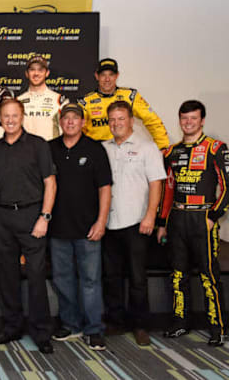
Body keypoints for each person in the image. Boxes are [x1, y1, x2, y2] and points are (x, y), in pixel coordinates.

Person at [0, 98, 56, 354]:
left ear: (22, 116)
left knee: (36, 277)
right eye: (6, 116)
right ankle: (12, 327)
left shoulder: (38, 145)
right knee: (6, 276)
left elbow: (50, 183)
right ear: (0, 118)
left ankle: (41, 332)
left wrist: (44, 217)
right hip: (2, 218)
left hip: (31, 216)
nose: (11, 120)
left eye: (15, 115)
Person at [158, 100, 229, 346]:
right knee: (178, 275)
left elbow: (228, 188)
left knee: (209, 276)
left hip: (203, 218)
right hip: (177, 218)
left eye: (193, 118)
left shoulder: (216, 148)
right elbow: (168, 190)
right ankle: (180, 323)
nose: (188, 123)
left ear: (202, 120)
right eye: (184, 118)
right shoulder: (171, 152)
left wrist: (213, 217)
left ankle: (217, 327)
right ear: (179, 120)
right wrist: (162, 223)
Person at [48, 103, 112, 351]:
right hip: (58, 229)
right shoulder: (49, 148)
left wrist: (101, 221)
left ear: (83, 122)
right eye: (66, 118)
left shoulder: (95, 149)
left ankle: (94, 329)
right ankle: (70, 324)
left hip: (88, 229)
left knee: (90, 281)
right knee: (62, 280)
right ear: (60, 122)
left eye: (76, 118)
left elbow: (105, 188)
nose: (71, 122)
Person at [101, 101, 166, 346]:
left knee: (138, 278)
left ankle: (140, 325)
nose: (116, 123)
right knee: (111, 276)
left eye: (121, 119)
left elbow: (156, 184)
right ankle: (116, 321)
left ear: (131, 121)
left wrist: (151, 216)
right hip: (109, 222)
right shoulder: (103, 148)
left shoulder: (147, 147)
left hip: (137, 222)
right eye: (112, 119)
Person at [79, 58, 169, 149]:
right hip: (97, 150)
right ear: (96, 76)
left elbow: (152, 120)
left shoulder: (129, 96)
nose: (107, 79)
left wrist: (163, 147)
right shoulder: (85, 102)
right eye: (103, 75)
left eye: (111, 74)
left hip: (124, 149)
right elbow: (78, 130)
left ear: (117, 75)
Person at [18, 55, 69, 141]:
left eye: (40, 70)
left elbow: (68, 131)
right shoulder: (18, 101)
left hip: (50, 151)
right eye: (32, 70)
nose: (36, 73)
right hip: (25, 152)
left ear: (47, 73)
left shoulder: (59, 100)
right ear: (27, 73)